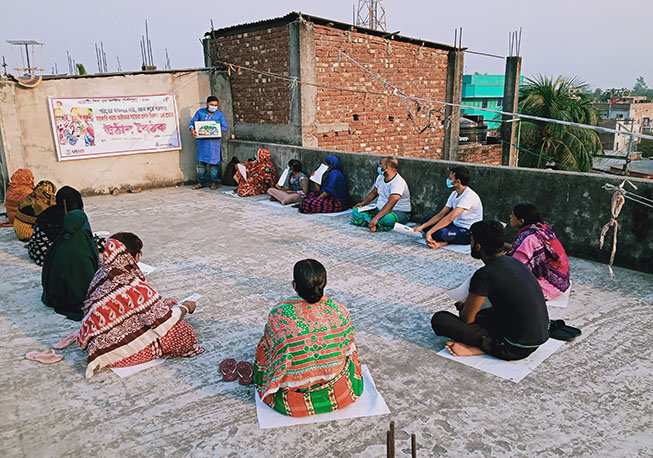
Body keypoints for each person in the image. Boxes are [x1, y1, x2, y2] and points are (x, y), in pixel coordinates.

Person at [77, 233, 204, 378]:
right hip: (115, 354)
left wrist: (161, 304)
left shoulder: (102, 273)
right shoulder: (131, 284)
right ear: (133, 257)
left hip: (95, 343)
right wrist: (186, 307)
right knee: (181, 331)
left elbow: (126, 309)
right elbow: (165, 320)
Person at [254, 259, 363, 417]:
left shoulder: (279, 314)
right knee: (349, 348)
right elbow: (347, 346)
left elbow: (271, 348)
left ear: (294, 285)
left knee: (266, 344)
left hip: (292, 400)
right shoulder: (340, 310)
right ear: (325, 283)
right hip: (341, 391)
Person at [431, 221, 550, 361]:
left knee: (440, 320)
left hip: (514, 347)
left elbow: (467, 319)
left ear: (478, 246)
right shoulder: (514, 262)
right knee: (482, 314)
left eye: (471, 240)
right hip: (538, 337)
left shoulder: (484, 274)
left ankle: (483, 347)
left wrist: (464, 308)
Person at [41, 209, 99, 321]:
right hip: (70, 299)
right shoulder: (80, 250)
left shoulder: (61, 240)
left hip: (54, 295)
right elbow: (85, 284)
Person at [506, 204, 571, 301]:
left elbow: (517, 267)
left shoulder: (527, 238)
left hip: (546, 287)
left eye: (512, 215)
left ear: (521, 221)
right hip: (562, 281)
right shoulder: (541, 229)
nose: (510, 217)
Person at [413, 166, 482, 249]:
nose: (448, 180)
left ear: (457, 182)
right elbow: (441, 214)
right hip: (454, 226)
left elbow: (450, 217)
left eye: (450, 178)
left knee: (441, 233)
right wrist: (422, 227)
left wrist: (429, 232)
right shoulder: (454, 194)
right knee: (425, 220)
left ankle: (442, 241)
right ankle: (442, 241)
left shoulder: (468, 196)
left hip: (466, 231)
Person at [351, 156, 411, 232]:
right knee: (356, 211)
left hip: (398, 212)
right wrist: (362, 203)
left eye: (381, 164)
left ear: (387, 166)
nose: (379, 166)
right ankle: (372, 223)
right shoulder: (380, 177)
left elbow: (390, 203)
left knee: (387, 219)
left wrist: (376, 218)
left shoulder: (398, 182)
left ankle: (372, 222)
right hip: (379, 209)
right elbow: (374, 193)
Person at [189, 95, 228, 190]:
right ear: (207, 103)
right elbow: (192, 122)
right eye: (211, 104)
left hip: (214, 144)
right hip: (202, 144)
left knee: (214, 165)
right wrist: (192, 129)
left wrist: (214, 128)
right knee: (201, 164)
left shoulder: (220, 115)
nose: (213, 107)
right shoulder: (200, 113)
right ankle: (201, 182)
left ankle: (213, 182)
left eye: (215, 105)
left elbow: (225, 127)